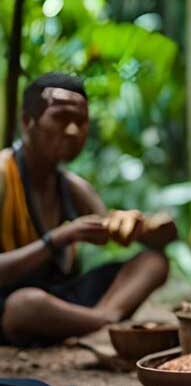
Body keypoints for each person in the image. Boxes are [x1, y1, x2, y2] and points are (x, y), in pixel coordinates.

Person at [0, 72, 175, 346]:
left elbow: (126, 233)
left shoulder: (72, 186)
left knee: (153, 262)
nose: (72, 130)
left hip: (62, 299)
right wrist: (59, 238)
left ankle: (99, 320)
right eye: (60, 119)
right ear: (27, 121)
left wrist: (140, 226)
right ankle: (105, 324)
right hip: (13, 302)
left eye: (80, 122)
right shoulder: (2, 174)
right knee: (26, 305)